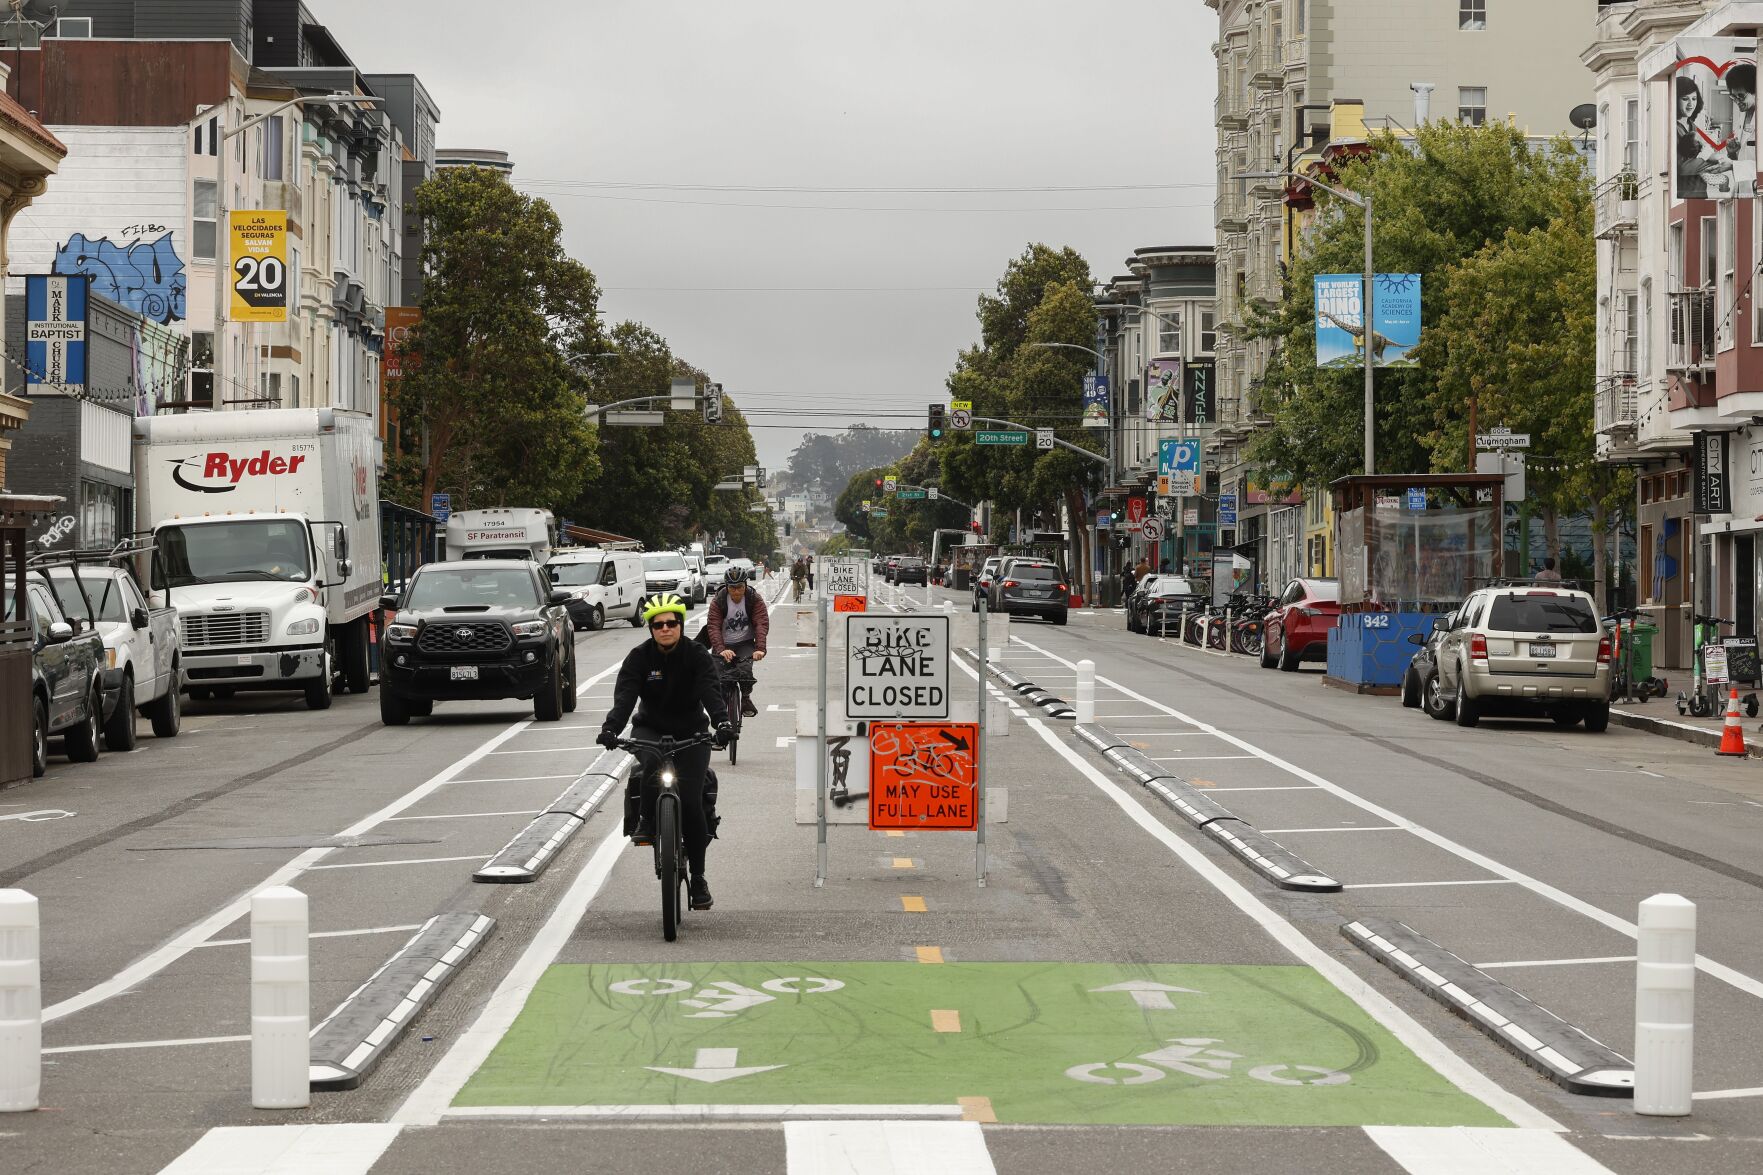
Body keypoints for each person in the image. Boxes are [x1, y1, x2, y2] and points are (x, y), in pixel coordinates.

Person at [598, 593, 731, 911]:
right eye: (658, 624)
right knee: (650, 765)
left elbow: (711, 692)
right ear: (651, 628)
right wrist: (611, 729)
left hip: (692, 732)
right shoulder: (639, 658)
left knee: (691, 803)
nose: (665, 628)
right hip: (651, 729)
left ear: (680, 624)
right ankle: (646, 817)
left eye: (672, 623)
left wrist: (723, 722)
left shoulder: (697, 655)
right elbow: (626, 696)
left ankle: (698, 878)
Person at [706, 565, 769, 718]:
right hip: (723, 644)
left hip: (745, 643)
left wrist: (759, 648)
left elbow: (761, 623)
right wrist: (721, 649)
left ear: (746, 585)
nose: (736, 591)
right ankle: (722, 717)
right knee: (719, 681)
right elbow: (713, 626)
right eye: (732, 588)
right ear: (726, 587)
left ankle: (746, 699)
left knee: (745, 671)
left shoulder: (754, 598)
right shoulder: (719, 600)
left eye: (740, 587)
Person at [1677, 76, 1734, 199]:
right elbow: (1681, 169)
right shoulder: (1673, 128)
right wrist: (1709, 160)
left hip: (1700, 191)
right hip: (1684, 194)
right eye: (1685, 99)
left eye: (1694, 99)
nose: (1690, 104)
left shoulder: (1694, 127)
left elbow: (1702, 150)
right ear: (1675, 100)